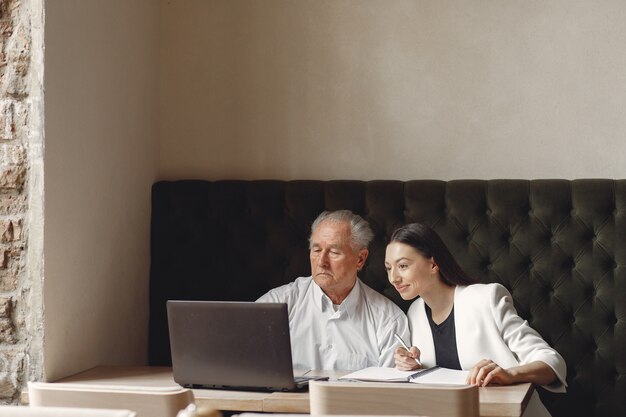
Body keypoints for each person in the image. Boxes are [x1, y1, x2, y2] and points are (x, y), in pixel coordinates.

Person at [385, 222, 566, 417]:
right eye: (388, 268)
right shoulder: (415, 312)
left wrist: (510, 375)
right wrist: (415, 367)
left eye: (402, 266)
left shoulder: (486, 298)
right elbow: (444, 376)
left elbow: (551, 362)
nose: (393, 278)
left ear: (433, 264)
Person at [257, 210, 410, 371]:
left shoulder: (389, 320)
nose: (322, 262)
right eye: (316, 250)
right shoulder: (276, 305)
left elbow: (389, 390)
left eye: (334, 252)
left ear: (360, 259)